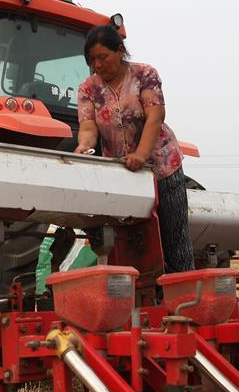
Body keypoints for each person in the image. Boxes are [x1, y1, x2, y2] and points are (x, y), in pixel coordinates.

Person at [74, 25, 194, 273]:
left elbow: (155, 117)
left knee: (174, 238)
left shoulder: (144, 74)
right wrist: (84, 147)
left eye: (102, 57)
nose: (97, 65)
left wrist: (141, 154)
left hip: (162, 168)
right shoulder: (88, 89)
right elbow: (88, 127)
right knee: (130, 241)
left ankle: (182, 288)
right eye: (92, 60)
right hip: (123, 174)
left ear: (120, 51)